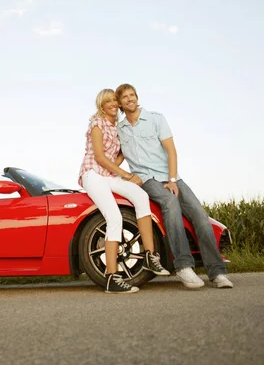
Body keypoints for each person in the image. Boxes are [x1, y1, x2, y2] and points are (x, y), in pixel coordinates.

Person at [115, 83, 233, 289]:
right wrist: (103, 173)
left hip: (171, 177)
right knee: (170, 203)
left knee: (200, 216)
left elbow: (171, 150)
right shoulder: (120, 129)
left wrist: (172, 180)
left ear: (137, 97)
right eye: (125, 97)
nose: (129, 99)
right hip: (146, 179)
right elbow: (117, 155)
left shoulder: (156, 119)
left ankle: (217, 273)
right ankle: (183, 267)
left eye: (132, 95)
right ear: (120, 103)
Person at [78, 89, 170, 294]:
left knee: (141, 196)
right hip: (93, 173)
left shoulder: (116, 127)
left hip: (108, 176)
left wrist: (121, 172)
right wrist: (127, 176)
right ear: (101, 106)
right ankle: (112, 277)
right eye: (107, 101)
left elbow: (117, 157)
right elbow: (101, 158)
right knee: (114, 216)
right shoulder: (97, 124)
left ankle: (149, 256)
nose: (112, 103)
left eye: (114, 100)